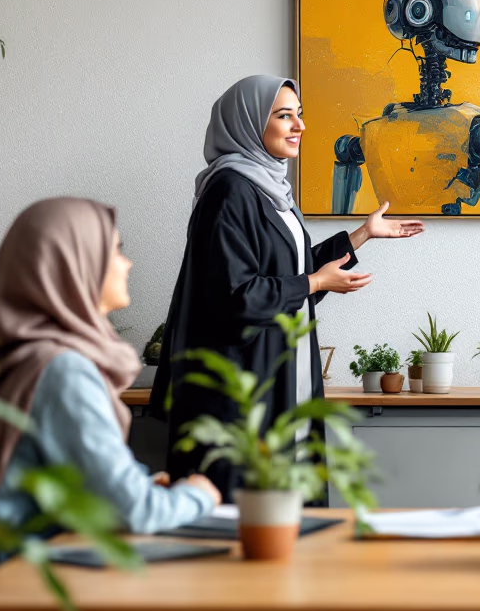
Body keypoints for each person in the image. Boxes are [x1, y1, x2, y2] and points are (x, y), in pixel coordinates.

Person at [153, 75, 424, 497]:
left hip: (281, 373)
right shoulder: (229, 190)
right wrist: (317, 281)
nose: (299, 126)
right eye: (284, 116)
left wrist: (361, 236)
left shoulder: (269, 189)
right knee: (246, 526)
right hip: (242, 388)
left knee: (286, 522)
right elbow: (235, 296)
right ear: (247, 123)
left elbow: (287, 271)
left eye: (299, 115)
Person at [0, 197, 221, 534]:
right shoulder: (62, 371)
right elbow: (137, 512)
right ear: (76, 263)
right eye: (115, 250)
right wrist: (198, 494)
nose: (128, 263)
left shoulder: (27, 357)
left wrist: (146, 484)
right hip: (42, 572)